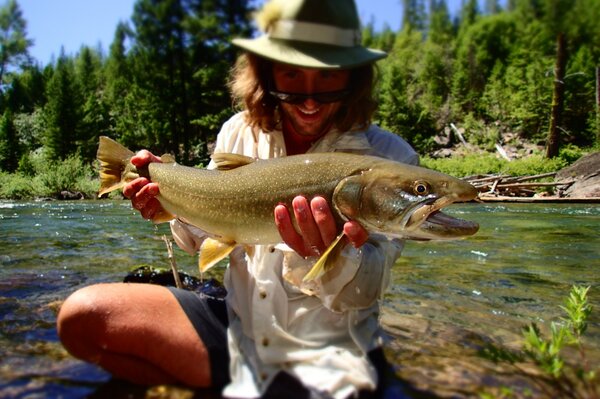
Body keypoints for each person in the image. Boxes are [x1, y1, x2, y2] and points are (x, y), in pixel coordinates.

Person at [57, 0, 419, 398]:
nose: (310, 101)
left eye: (328, 78)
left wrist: (326, 255)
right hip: (238, 331)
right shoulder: (237, 131)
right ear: (266, 74)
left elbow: (365, 292)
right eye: (292, 77)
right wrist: (171, 202)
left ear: (354, 77)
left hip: (330, 356)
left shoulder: (393, 160)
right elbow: (198, 237)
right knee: (82, 316)